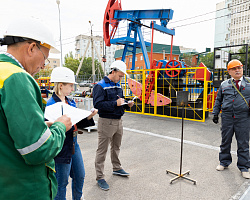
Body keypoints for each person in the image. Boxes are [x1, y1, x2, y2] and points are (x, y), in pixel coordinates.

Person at [0, 17, 72, 199]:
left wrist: (39, 126)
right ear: (31, 48)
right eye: (45, 58)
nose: (43, 66)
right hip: (23, 188)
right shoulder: (17, 78)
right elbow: (36, 149)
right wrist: (60, 126)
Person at [47, 67, 98, 200]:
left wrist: (88, 116)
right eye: (70, 85)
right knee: (61, 183)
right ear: (61, 85)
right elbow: (50, 130)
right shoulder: (51, 105)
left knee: (79, 176)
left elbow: (77, 122)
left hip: (74, 144)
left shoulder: (70, 101)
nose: (72, 88)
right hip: (61, 147)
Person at [93, 60, 134, 190]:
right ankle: (100, 177)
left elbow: (119, 102)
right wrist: (115, 104)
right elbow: (98, 105)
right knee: (102, 150)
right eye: (120, 76)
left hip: (118, 121)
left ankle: (116, 168)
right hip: (106, 122)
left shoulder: (118, 85)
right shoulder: (100, 86)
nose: (121, 78)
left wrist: (127, 104)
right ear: (113, 71)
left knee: (116, 147)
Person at [212, 59, 250, 179]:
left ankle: (244, 167)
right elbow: (218, 100)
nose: (237, 70)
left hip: (243, 117)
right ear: (229, 71)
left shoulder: (249, 82)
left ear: (242, 68)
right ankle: (224, 162)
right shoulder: (224, 84)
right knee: (225, 141)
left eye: (239, 67)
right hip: (227, 117)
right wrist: (215, 113)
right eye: (234, 69)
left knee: (243, 143)